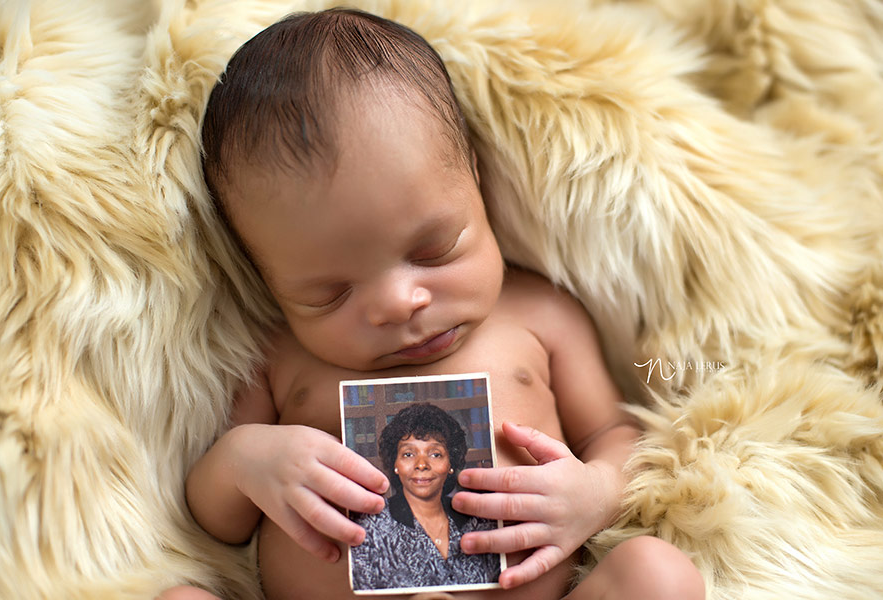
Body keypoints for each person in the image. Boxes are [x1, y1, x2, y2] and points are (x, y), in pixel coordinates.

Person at [163, 7, 705, 600]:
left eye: (434, 249)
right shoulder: (281, 357)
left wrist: (595, 493)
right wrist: (246, 460)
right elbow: (217, 516)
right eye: (330, 293)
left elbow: (613, 432)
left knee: (658, 573)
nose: (398, 303)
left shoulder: (540, 315)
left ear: (475, 178)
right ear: (267, 280)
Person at [350, 402, 501, 591]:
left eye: (435, 454)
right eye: (408, 454)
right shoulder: (370, 528)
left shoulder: (479, 522)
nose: (422, 464)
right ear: (395, 464)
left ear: (450, 464)